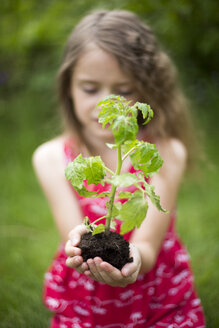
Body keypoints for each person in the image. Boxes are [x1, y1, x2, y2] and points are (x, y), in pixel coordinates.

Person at [32, 9, 205, 328]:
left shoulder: (164, 153)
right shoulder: (51, 158)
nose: (105, 103)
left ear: (147, 89)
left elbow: (148, 245)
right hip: (88, 297)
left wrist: (135, 259)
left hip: (158, 294)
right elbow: (76, 233)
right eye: (89, 88)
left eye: (124, 90)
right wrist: (78, 246)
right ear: (68, 87)